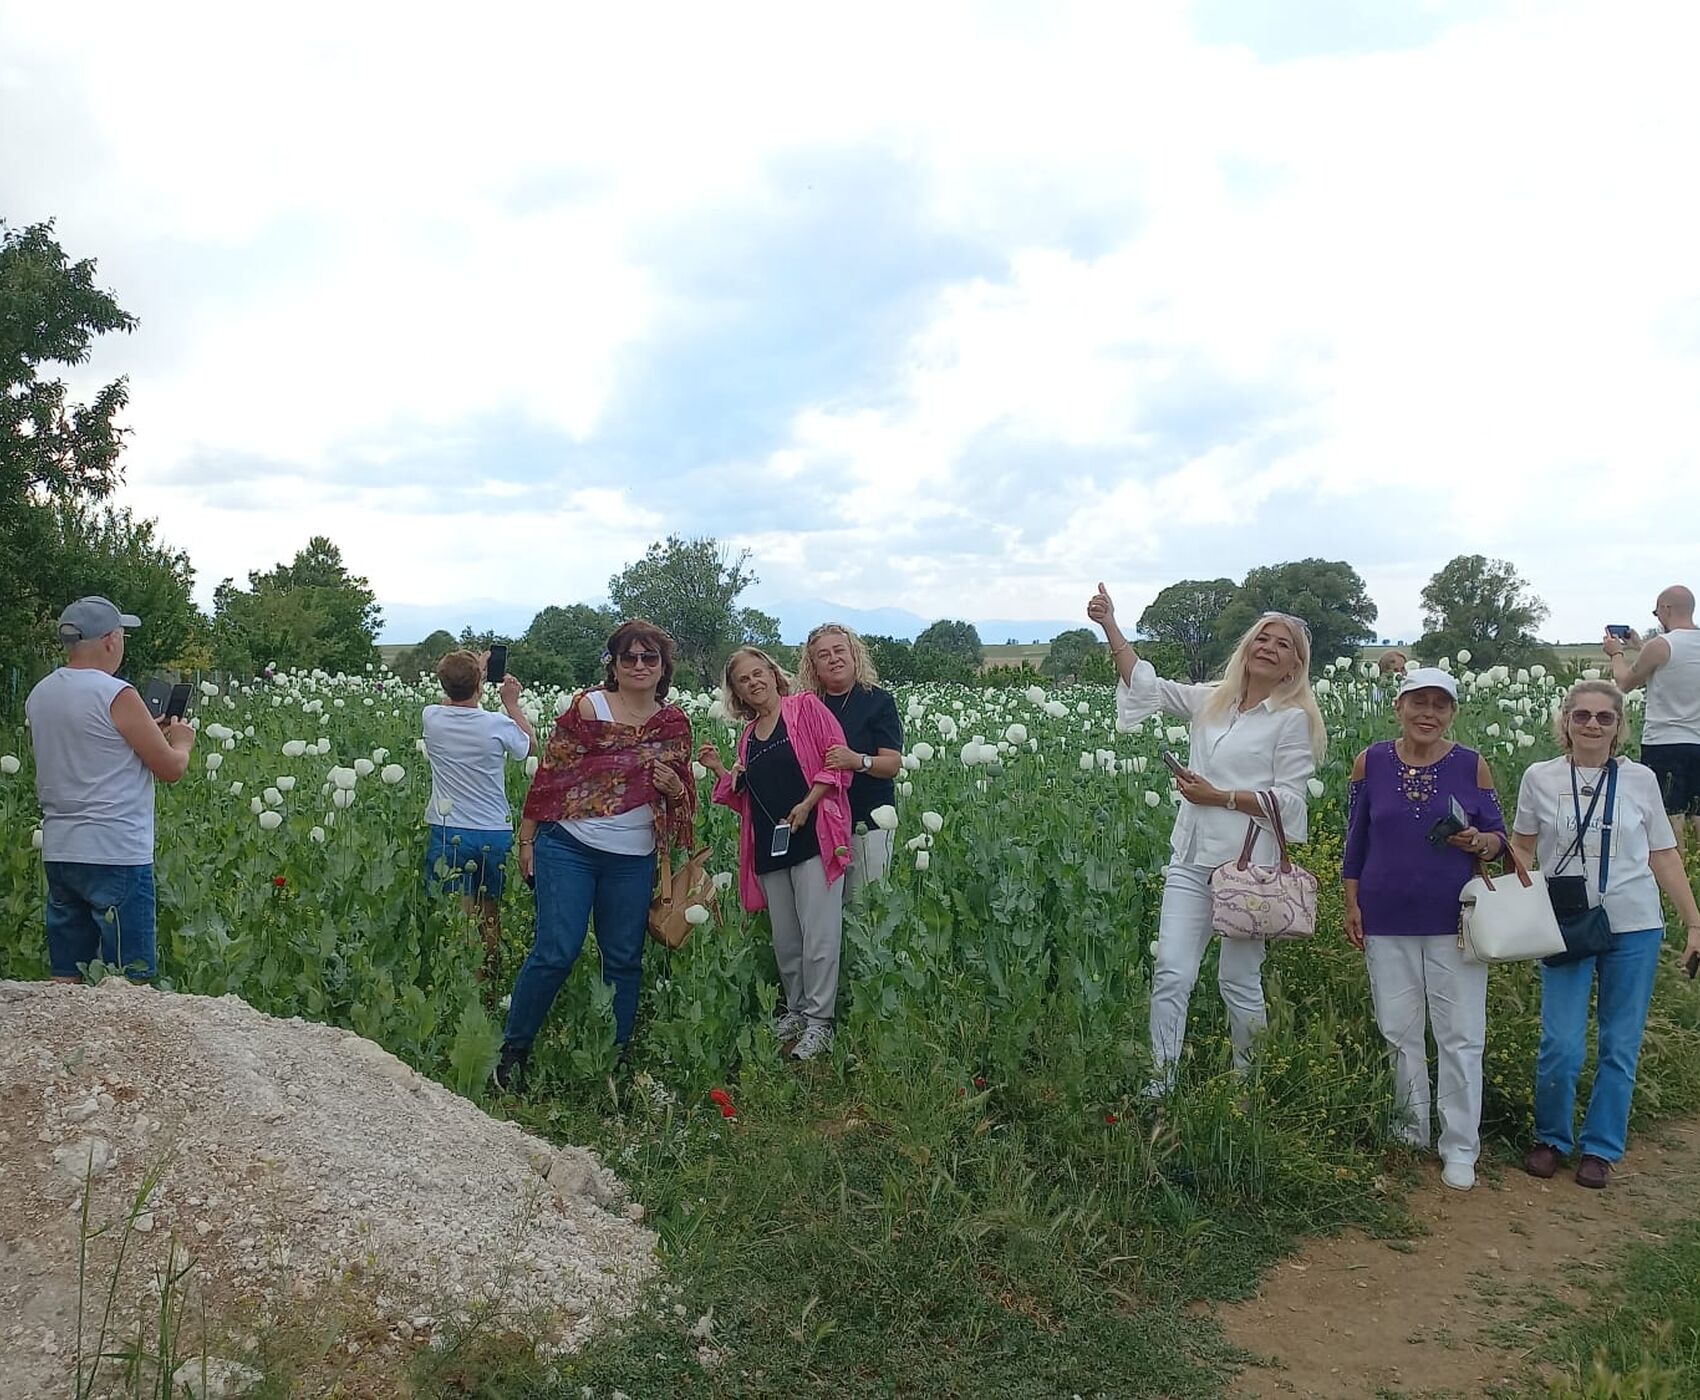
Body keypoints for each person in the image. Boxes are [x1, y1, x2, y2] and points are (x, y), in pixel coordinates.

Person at [1089, 584, 1325, 1088]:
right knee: (1172, 971)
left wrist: (1220, 796)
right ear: (1248, 647)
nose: (1269, 647)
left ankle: (1247, 1085)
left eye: (1283, 645)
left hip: (1249, 870)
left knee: (1237, 979)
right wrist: (1110, 625)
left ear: (1293, 667)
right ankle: (1161, 1081)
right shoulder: (1213, 702)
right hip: (1192, 857)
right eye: (1263, 638)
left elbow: (1290, 802)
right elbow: (1146, 685)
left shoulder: (1291, 721)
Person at [1510, 680, 1700, 1189]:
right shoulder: (1540, 777)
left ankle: (1601, 1147)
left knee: (1620, 1041)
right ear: (1565, 721)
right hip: (1566, 922)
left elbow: (1662, 852)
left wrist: (1694, 920)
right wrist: (1509, 907)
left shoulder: (1640, 780)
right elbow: (1523, 848)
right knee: (1561, 1042)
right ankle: (1551, 1137)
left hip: (1633, 924)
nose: (1592, 725)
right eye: (1582, 716)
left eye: (1604, 717)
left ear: (1619, 727)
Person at [495, 621, 695, 1089]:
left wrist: (674, 788)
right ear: (614, 664)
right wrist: (526, 840)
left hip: (633, 856)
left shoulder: (673, 724)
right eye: (629, 657)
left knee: (623, 958)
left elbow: (684, 794)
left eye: (650, 658)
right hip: (569, 847)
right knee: (555, 952)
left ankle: (615, 1059)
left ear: (663, 667)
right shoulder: (590, 707)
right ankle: (513, 1051)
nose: (640, 665)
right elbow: (551, 775)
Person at [1342, 667, 1508, 1190]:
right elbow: (1355, 840)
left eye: (1440, 705)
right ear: (1399, 706)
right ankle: (1409, 1130)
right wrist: (1352, 902)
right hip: (1384, 915)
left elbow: (1501, 839)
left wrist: (1482, 843)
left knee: (1460, 1036)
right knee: (1398, 1030)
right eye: (1419, 703)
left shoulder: (1471, 766)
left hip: (1455, 920)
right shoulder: (1370, 762)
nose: (1428, 714)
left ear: (1452, 713)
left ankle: (1460, 1145)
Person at [25, 596, 195, 983]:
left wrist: (144, 729)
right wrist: (181, 741)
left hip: (62, 850)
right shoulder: (117, 693)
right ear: (109, 640)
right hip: (116, 852)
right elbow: (169, 769)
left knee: (66, 974)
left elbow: (90, 744)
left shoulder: (40, 693)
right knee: (128, 977)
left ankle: (63, 1042)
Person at [699, 647, 852, 1061]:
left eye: (758, 673)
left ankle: (820, 1024)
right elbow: (744, 793)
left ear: (772, 672)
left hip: (812, 836)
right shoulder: (748, 736)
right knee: (787, 940)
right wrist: (717, 769)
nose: (754, 682)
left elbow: (836, 760)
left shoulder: (805, 709)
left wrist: (807, 804)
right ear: (737, 694)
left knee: (819, 935)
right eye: (743, 680)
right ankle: (797, 1011)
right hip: (769, 846)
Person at [420, 650, 535, 979]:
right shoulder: (497, 724)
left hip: (447, 826)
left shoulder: (432, 716)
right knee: (489, 910)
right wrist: (512, 704)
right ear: (481, 686)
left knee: (457, 911)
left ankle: (458, 976)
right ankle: (488, 976)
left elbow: (453, 697)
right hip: (492, 829)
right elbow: (530, 746)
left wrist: (472, 674)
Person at [797, 623, 903, 899]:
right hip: (821, 825)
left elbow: (891, 764)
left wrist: (857, 761)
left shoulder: (878, 702)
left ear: (854, 655)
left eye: (839, 650)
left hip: (869, 820)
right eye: (823, 655)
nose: (833, 659)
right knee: (828, 912)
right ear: (813, 666)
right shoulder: (807, 706)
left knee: (866, 907)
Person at [1605, 585, 1700, 849]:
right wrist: (1639, 646)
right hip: (1698, 742)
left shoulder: (1661, 645)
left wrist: (1616, 654)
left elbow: (1624, 683)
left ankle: (1675, 879)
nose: (1657, 617)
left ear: (1667, 608)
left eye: (1657, 611)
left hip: (1665, 742)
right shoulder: (1668, 645)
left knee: (1670, 815)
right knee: (1698, 811)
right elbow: (1679, 660)